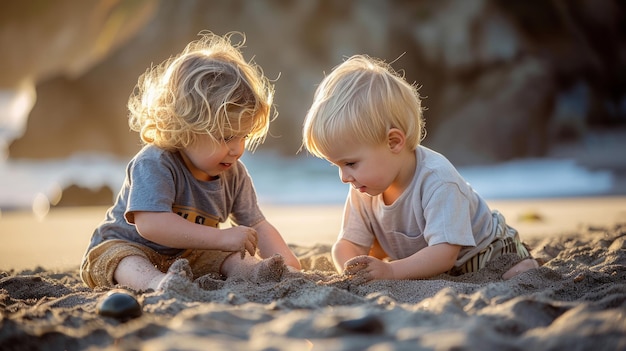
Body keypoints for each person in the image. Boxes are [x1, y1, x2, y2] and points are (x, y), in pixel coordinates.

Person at [80, 31, 301, 292]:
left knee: (232, 256)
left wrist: (289, 265)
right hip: (128, 245)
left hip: (189, 254)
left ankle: (260, 272)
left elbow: (257, 225)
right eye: (226, 136)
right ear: (185, 128)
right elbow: (150, 224)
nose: (238, 149)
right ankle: (157, 284)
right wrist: (220, 237)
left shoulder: (234, 174)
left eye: (244, 136)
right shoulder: (155, 163)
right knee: (125, 261)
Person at [302, 55, 539, 283]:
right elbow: (347, 244)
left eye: (350, 163)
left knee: (513, 270)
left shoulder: (437, 180)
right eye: (338, 165)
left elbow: (444, 254)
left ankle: (523, 261)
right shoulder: (364, 187)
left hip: (486, 251)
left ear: (394, 142)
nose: (344, 177)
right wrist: (352, 268)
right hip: (427, 260)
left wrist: (391, 272)